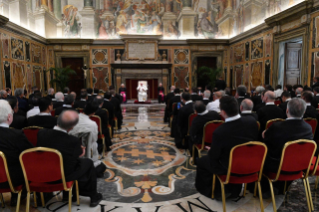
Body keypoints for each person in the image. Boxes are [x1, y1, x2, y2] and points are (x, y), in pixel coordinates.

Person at [195, 96, 259, 198]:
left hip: (228, 167)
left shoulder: (220, 131)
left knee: (202, 161)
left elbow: (214, 157)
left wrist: (212, 150)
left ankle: (212, 191)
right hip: (251, 163)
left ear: (223, 112)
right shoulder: (252, 122)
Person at [37, 110, 103, 207]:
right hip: (62, 176)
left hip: (43, 172)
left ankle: (67, 194)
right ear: (72, 127)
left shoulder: (41, 133)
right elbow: (76, 156)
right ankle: (93, 196)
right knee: (88, 163)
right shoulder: (73, 141)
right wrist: (81, 151)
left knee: (67, 161)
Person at [263, 98, 313, 173]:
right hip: (300, 165)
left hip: (278, 166)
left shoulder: (277, 126)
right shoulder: (308, 127)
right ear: (304, 112)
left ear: (287, 110)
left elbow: (266, 139)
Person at [0, 100, 33, 206]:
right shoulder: (16, 135)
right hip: (12, 180)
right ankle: (17, 197)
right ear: (9, 117)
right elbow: (30, 152)